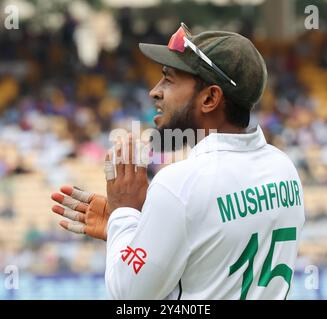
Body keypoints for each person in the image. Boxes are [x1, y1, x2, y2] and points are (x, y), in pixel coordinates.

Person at [51, 23, 305, 300]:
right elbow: (210, 268)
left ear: (210, 98)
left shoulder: (178, 183)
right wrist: (139, 232)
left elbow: (129, 296)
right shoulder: (284, 168)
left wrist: (124, 215)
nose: (155, 92)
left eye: (169, 80)